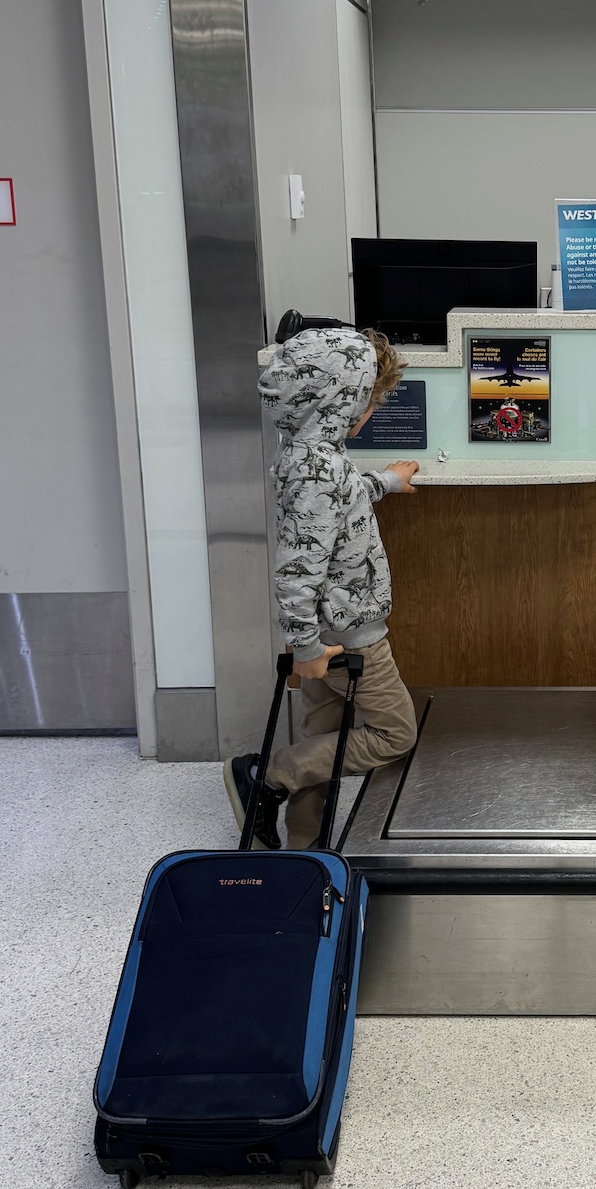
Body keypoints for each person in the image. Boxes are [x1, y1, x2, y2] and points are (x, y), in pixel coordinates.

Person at [224, 319, 419, 849]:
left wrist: (386, 482)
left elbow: (339, 503)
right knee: (394, 735)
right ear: (338, 403)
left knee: (326, 737)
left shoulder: (313, 457)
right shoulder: (319, 469)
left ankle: (305, 849)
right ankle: (267, 774)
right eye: (367, 402)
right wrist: (307, 645)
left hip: (323, 629)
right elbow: (297, 568)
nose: (370, 412)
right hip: (344, 636)